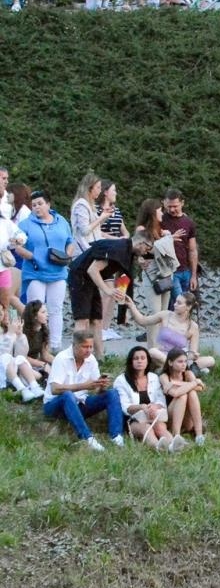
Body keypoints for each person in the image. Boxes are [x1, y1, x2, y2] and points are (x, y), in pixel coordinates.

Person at [66, 232, 154, 359]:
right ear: (141, 243)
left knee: (96, 320)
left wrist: (121, 293)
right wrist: (107, 290)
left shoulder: (128, 252)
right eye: (147, 248)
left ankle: (100, 357)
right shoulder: (118, 248)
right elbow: (92, 269)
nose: (146, 252)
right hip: (80, 276)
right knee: (83, 319)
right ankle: (74, 357)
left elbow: (122, 273)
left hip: (91, 280)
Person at [17, 189, 78, 352]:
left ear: (48, 204)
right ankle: (33, 346)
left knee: (56, 308)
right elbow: (18, 247)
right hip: (35, 272)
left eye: (40, 203)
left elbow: (70, 241)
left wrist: (68, 255)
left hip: (58, 271)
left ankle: (55, 346)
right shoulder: (25, 224)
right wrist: (34, 257)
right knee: (35, 310)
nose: (37, 207)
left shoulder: (61, 221)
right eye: (34, 205)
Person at [43, 331, 125, 450]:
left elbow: (95, 390)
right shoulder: (61, 358)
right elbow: (55, 389)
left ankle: (116, 436)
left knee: (112, 394)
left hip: (80, 403)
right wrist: (84, 386)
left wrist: (101, 386)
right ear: (74, 345)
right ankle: (87, 438)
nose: (89, 350)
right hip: (54, 405)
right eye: (85, 347)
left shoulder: (91, 360)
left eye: (91, 347)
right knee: (67, 395)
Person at [113, 345, 177, 451]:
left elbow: (161, 400)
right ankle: (158, 448)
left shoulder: (153, 377)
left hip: (154, 416)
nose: (139, 361)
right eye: (136, 358)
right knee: (147, 428)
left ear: (148, 361)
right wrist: (141, 407)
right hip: (133, 420)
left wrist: (155, 406)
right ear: (131, 361)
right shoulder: (121, 380)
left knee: (160, 427)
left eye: (143, 358)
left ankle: (173, 446)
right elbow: (125, 407)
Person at [159, 349, 207, 445]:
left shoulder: (188, 374)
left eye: (185, 361)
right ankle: (176, 435)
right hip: (170, 417)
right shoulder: (164, 376)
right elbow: (175, 393)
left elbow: (201, 387)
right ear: (170, 362)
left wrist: (175, 383)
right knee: (183, 395)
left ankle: (199, 435)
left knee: (192, 393)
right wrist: (194, 382)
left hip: (187, 419)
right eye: (180, 362)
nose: (184, 364)